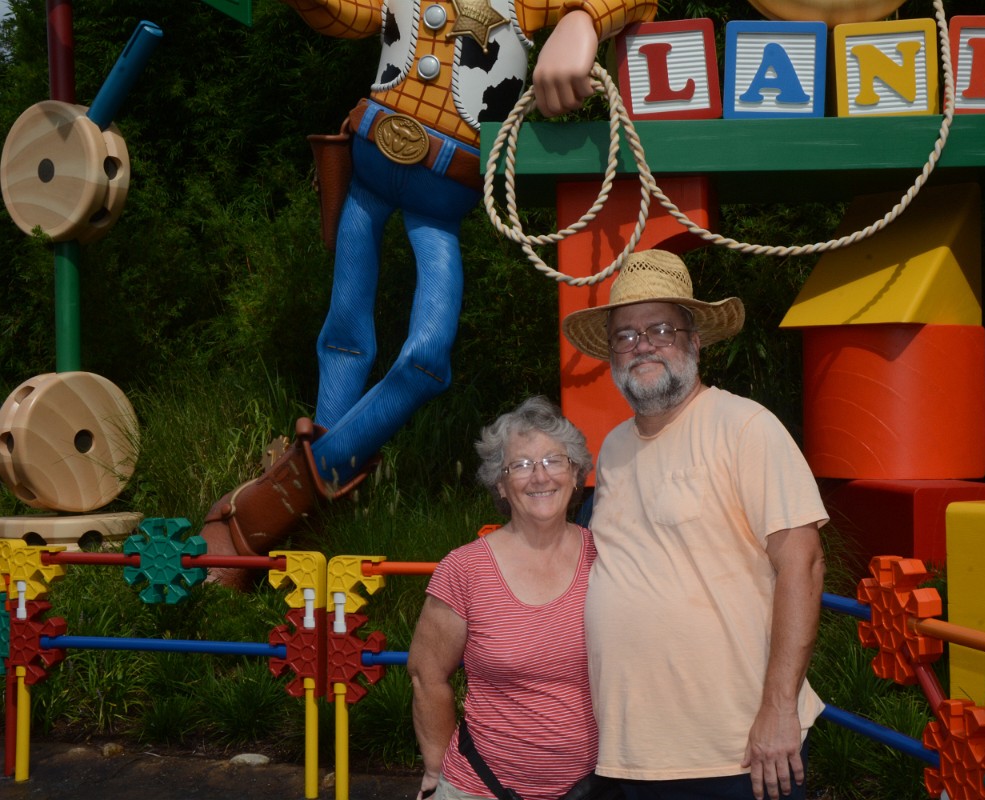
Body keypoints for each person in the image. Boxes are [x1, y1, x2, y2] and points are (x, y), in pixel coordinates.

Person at [199, 0, 656, 587]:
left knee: (427, 355)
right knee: (343, 333)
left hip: (442, 194)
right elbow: (345, 14)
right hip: (367, 166)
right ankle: (316, 515)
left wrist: (580, 20)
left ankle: (282, 498)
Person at [561, 249, 829, 800]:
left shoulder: (746, 426)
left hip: (739, 750)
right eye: (626, 335)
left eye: (661, 329)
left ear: (695, 341)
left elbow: (803, 564)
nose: (643, 345)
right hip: (632, 754)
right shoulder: (611, 450)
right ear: (611, 354)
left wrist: (780, 708)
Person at [408, 396, 599, 800]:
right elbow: (427, 675)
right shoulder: (464, 569)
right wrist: (435, 767)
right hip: (480, 788)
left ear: (575, 472)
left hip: (593, 788)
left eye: (553, 460)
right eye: (522, 465)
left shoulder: (607, 557)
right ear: (500, 483)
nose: (540, 476)